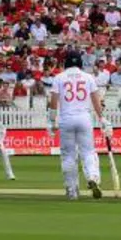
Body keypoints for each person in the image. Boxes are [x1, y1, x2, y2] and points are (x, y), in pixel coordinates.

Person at [47, 49, 111, 200]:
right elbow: (96, 99)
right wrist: (102, 119)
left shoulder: (59, 78)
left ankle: (71, 190)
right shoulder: (88, 77)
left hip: (66, 119)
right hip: (84, 118)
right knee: (88, 152)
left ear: (66, 62)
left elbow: (53, 102)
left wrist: (51, 121)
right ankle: (93, 177)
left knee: (68, 155)